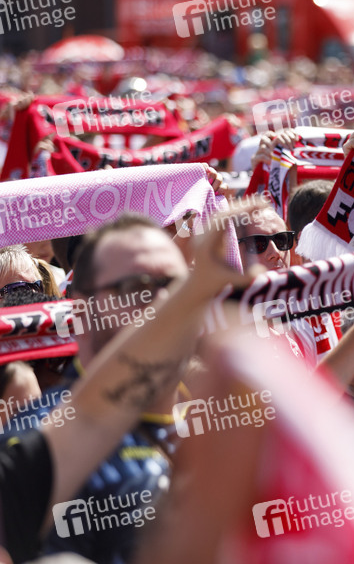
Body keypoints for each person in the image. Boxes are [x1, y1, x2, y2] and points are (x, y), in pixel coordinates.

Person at [0, 199, 263, 562]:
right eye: (137, 287)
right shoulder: (36, 432)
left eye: (174, 286)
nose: (162, 303)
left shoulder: (220, 416)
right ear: (81, 310)